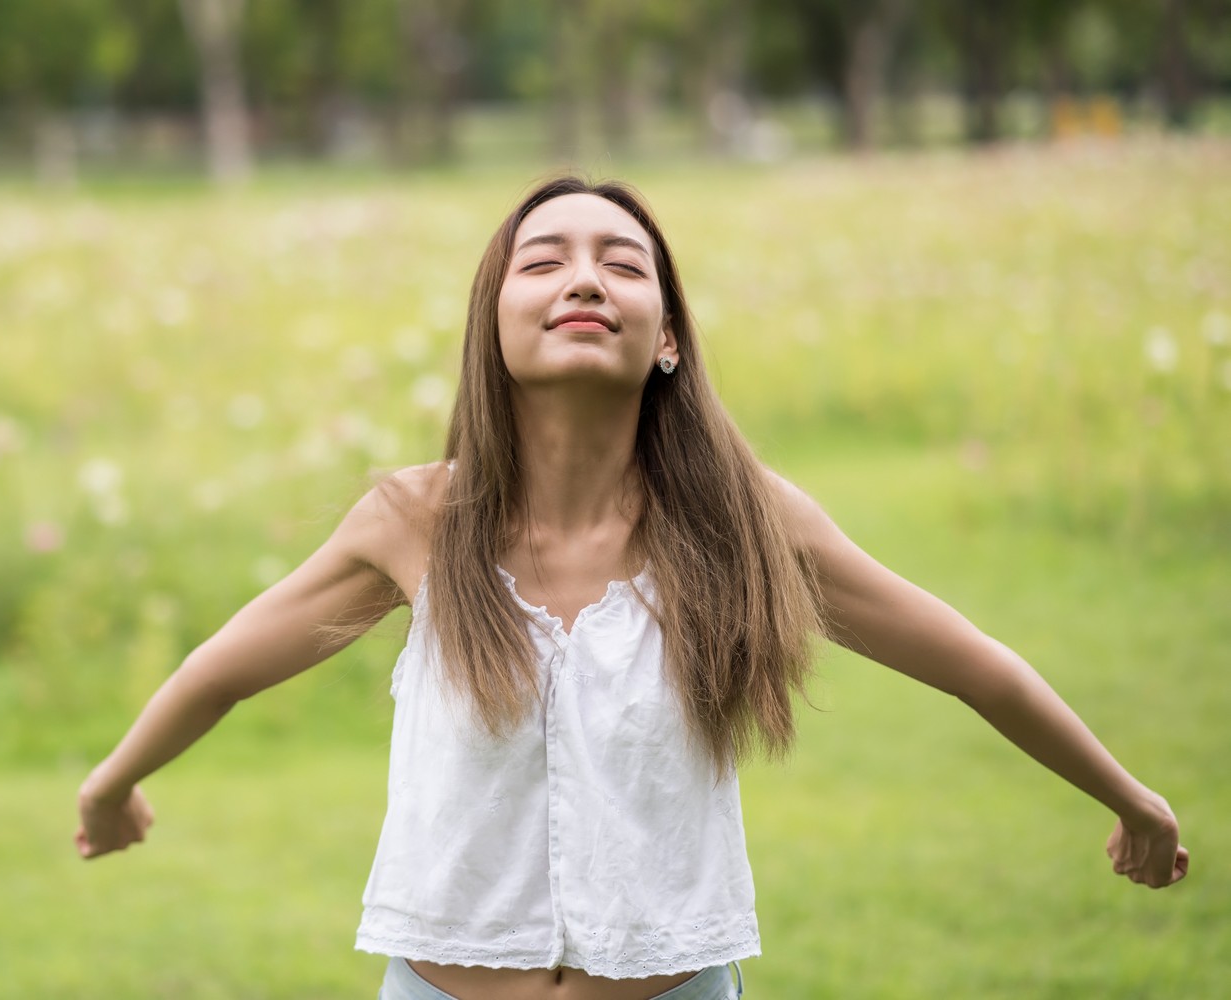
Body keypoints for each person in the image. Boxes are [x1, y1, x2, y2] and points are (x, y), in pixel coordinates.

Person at [74, 177, 1189, 1000]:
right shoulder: (414, 522)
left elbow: (975, 668)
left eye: (621, 261)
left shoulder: (749, 522)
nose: (583, 277)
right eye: (544, 258)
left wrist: (1130, 796)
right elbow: (220, 669)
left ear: (666, 337)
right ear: (495, 323)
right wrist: (111, 786)